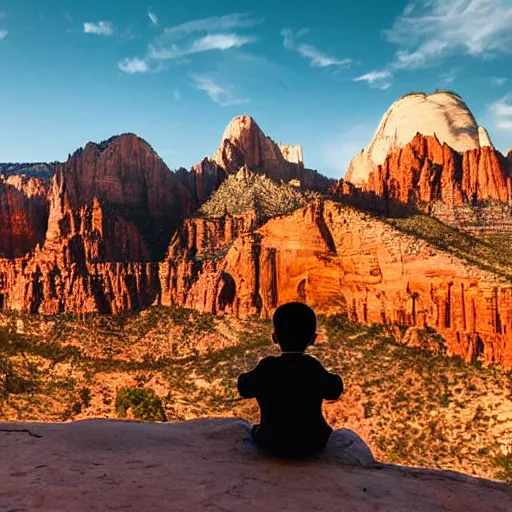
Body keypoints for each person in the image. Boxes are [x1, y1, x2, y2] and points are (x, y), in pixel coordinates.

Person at [237, 302, 343, 457]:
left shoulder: (268, 366)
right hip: (313, 441)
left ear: (274, 337)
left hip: (272, 441)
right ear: (313, 339)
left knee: (255, 430)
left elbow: (244, 388)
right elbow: (334, 390)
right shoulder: (312, 367)